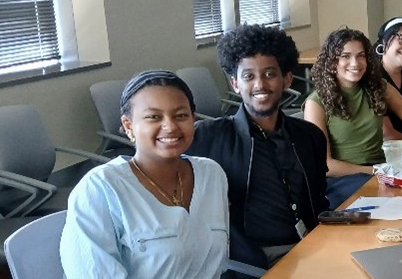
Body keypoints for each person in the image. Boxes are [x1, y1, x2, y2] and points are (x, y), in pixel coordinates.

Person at [187, 25, 328, 271]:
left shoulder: (310, 136)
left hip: (312, 248)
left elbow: (319, 200)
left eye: (270, 74)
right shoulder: (208, 138)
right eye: (249, 76)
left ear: (287, 79)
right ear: (234, 84)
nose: (260, 84)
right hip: (251, 262)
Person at [62, 70, 229, 277]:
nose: (170, 126)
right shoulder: (100, 188)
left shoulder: (211, 174)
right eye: (153, 117)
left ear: (193, 120)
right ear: (128, 126)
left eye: (181, 116)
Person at [304, 28, 402, 209]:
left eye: (361, 56)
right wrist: (374, 171)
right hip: (344, 181)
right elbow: (326, 165)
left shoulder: (379, 87)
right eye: (345, 56)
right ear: (332, 62)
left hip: (382, 172)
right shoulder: (315, 103)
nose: (355, 63)